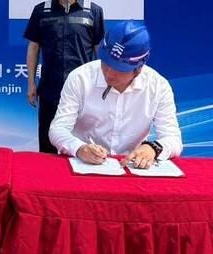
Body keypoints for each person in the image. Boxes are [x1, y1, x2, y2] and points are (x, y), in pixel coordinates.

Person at [48, 20, 182, 168]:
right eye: (105, 63)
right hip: (83, 164)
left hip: (131, 166)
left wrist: (153, 148)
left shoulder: (158, 86)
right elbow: (58, 129)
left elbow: (173, 139)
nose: (109, 73)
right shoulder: (80, 78)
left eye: (119, 69)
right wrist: (80, 148)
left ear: (139, 68)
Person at [24, 0, 105, 153]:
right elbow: (33, 47)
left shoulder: (94, 11)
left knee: (83, 147)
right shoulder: (41, 10)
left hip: (84, 90)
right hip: (50, 90)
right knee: (48, 147)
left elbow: (99, 51)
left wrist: (102, 85)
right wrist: (31, 83)